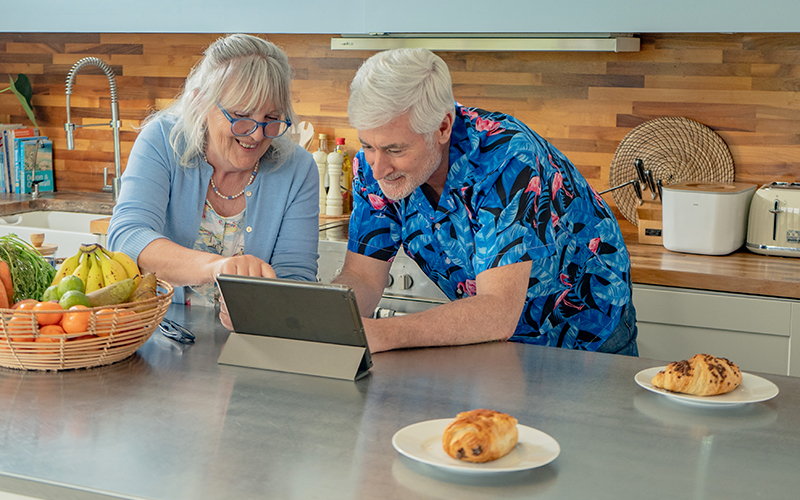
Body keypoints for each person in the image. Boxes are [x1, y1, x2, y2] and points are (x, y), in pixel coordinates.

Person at [334, 48, 638, 355]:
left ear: (442, 127)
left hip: (586, 333)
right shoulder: (374, 166)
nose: (378, 167)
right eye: (367, 145)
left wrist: (380, 334)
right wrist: (321, 321)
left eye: (395, 150)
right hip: (495, 341)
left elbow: (496, 311)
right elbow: (363, 277)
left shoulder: (508, 160)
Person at [108, 34, 319, 328]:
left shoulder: (298, 168)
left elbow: (296, 275)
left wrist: (260, 308)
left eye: (271, 118)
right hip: (160, 333)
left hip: (254, 343)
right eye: (241, 115)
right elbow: (128, 238)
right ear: (200, 103)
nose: (257, 134)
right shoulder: (163, 141)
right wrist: (218, 268)